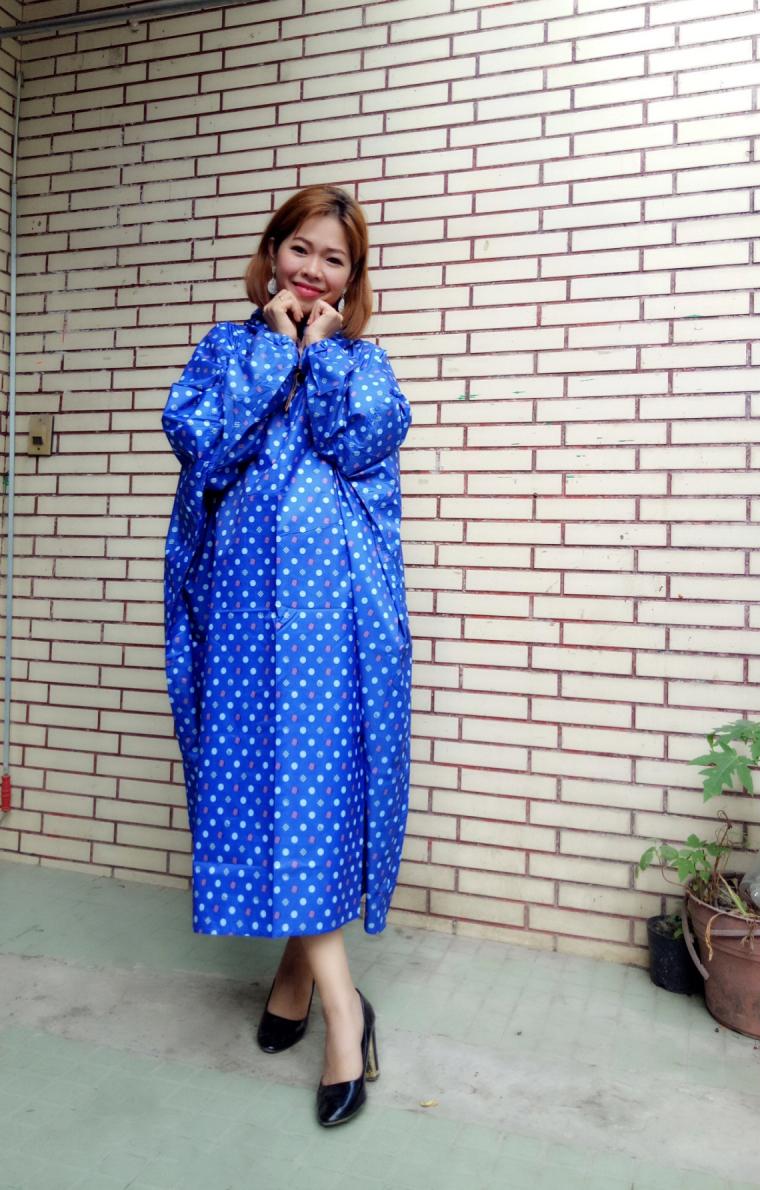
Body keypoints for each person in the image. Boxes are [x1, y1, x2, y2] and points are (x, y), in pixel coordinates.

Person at [161, 186, 413, 1127]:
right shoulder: (225, 350)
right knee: (260, 781)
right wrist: (274, 348)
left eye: (333, 259)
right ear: (272, 254)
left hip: (331, 615)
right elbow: (201, 441)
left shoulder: (362, 362)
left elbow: (365, 441)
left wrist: (318, 353)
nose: (313, 270)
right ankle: (304, 982)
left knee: (309, 787)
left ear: (351, 279)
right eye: (300, 248)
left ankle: (338, 1010)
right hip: (240, 613)